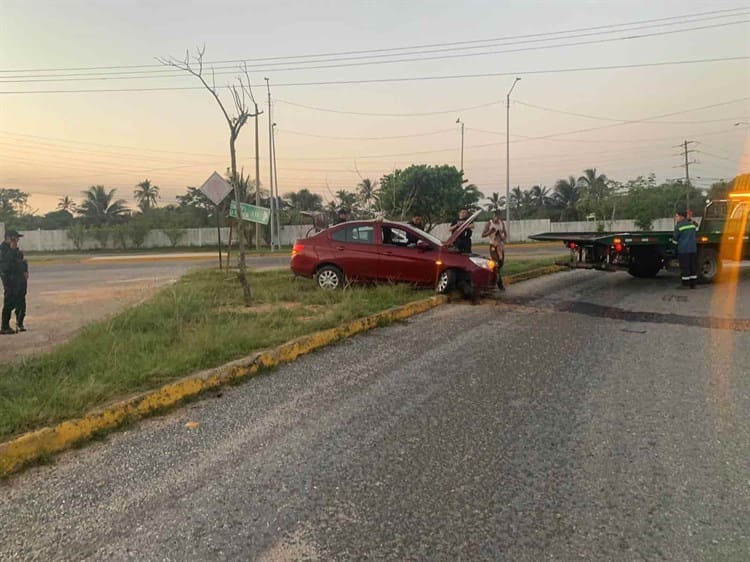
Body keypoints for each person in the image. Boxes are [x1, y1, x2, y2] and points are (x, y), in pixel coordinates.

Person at [1, 229, 29, 334]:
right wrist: (12, 250)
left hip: (19, 279)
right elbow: (5, 265)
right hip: (9, 280)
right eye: (15, 238)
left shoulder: (16, 249)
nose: (17, 240)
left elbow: (22, 261)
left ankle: (19, 323)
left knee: (21, 301)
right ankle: (4, 326)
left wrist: (25, 270)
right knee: (9, 302)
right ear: (8, 238)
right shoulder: (3, 250)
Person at [482, 211, 508, 290]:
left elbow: (505, 234)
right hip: (493, 246)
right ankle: (498, 283)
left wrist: (503, 238)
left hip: (500, 246)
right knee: (495, 263)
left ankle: (495, 279)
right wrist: (490, 232)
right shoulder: (489, 224)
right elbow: (483, 235)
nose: (497, 218)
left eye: (498, 217)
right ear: (493, 216)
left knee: (500, 263)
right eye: (495, 216)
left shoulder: (501, 223)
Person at [673, 209, 698, 289]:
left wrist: (673, 247)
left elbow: (675, 239)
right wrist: (690, 219)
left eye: (677, 216)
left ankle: (685, 284)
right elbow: (696, 225)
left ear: (681, 217)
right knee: (692, 267)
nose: (676, 217)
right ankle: (693, 284)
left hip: (683, 250)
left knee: (685, 267)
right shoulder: (691, 225)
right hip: (693, 249)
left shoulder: (679, 226)